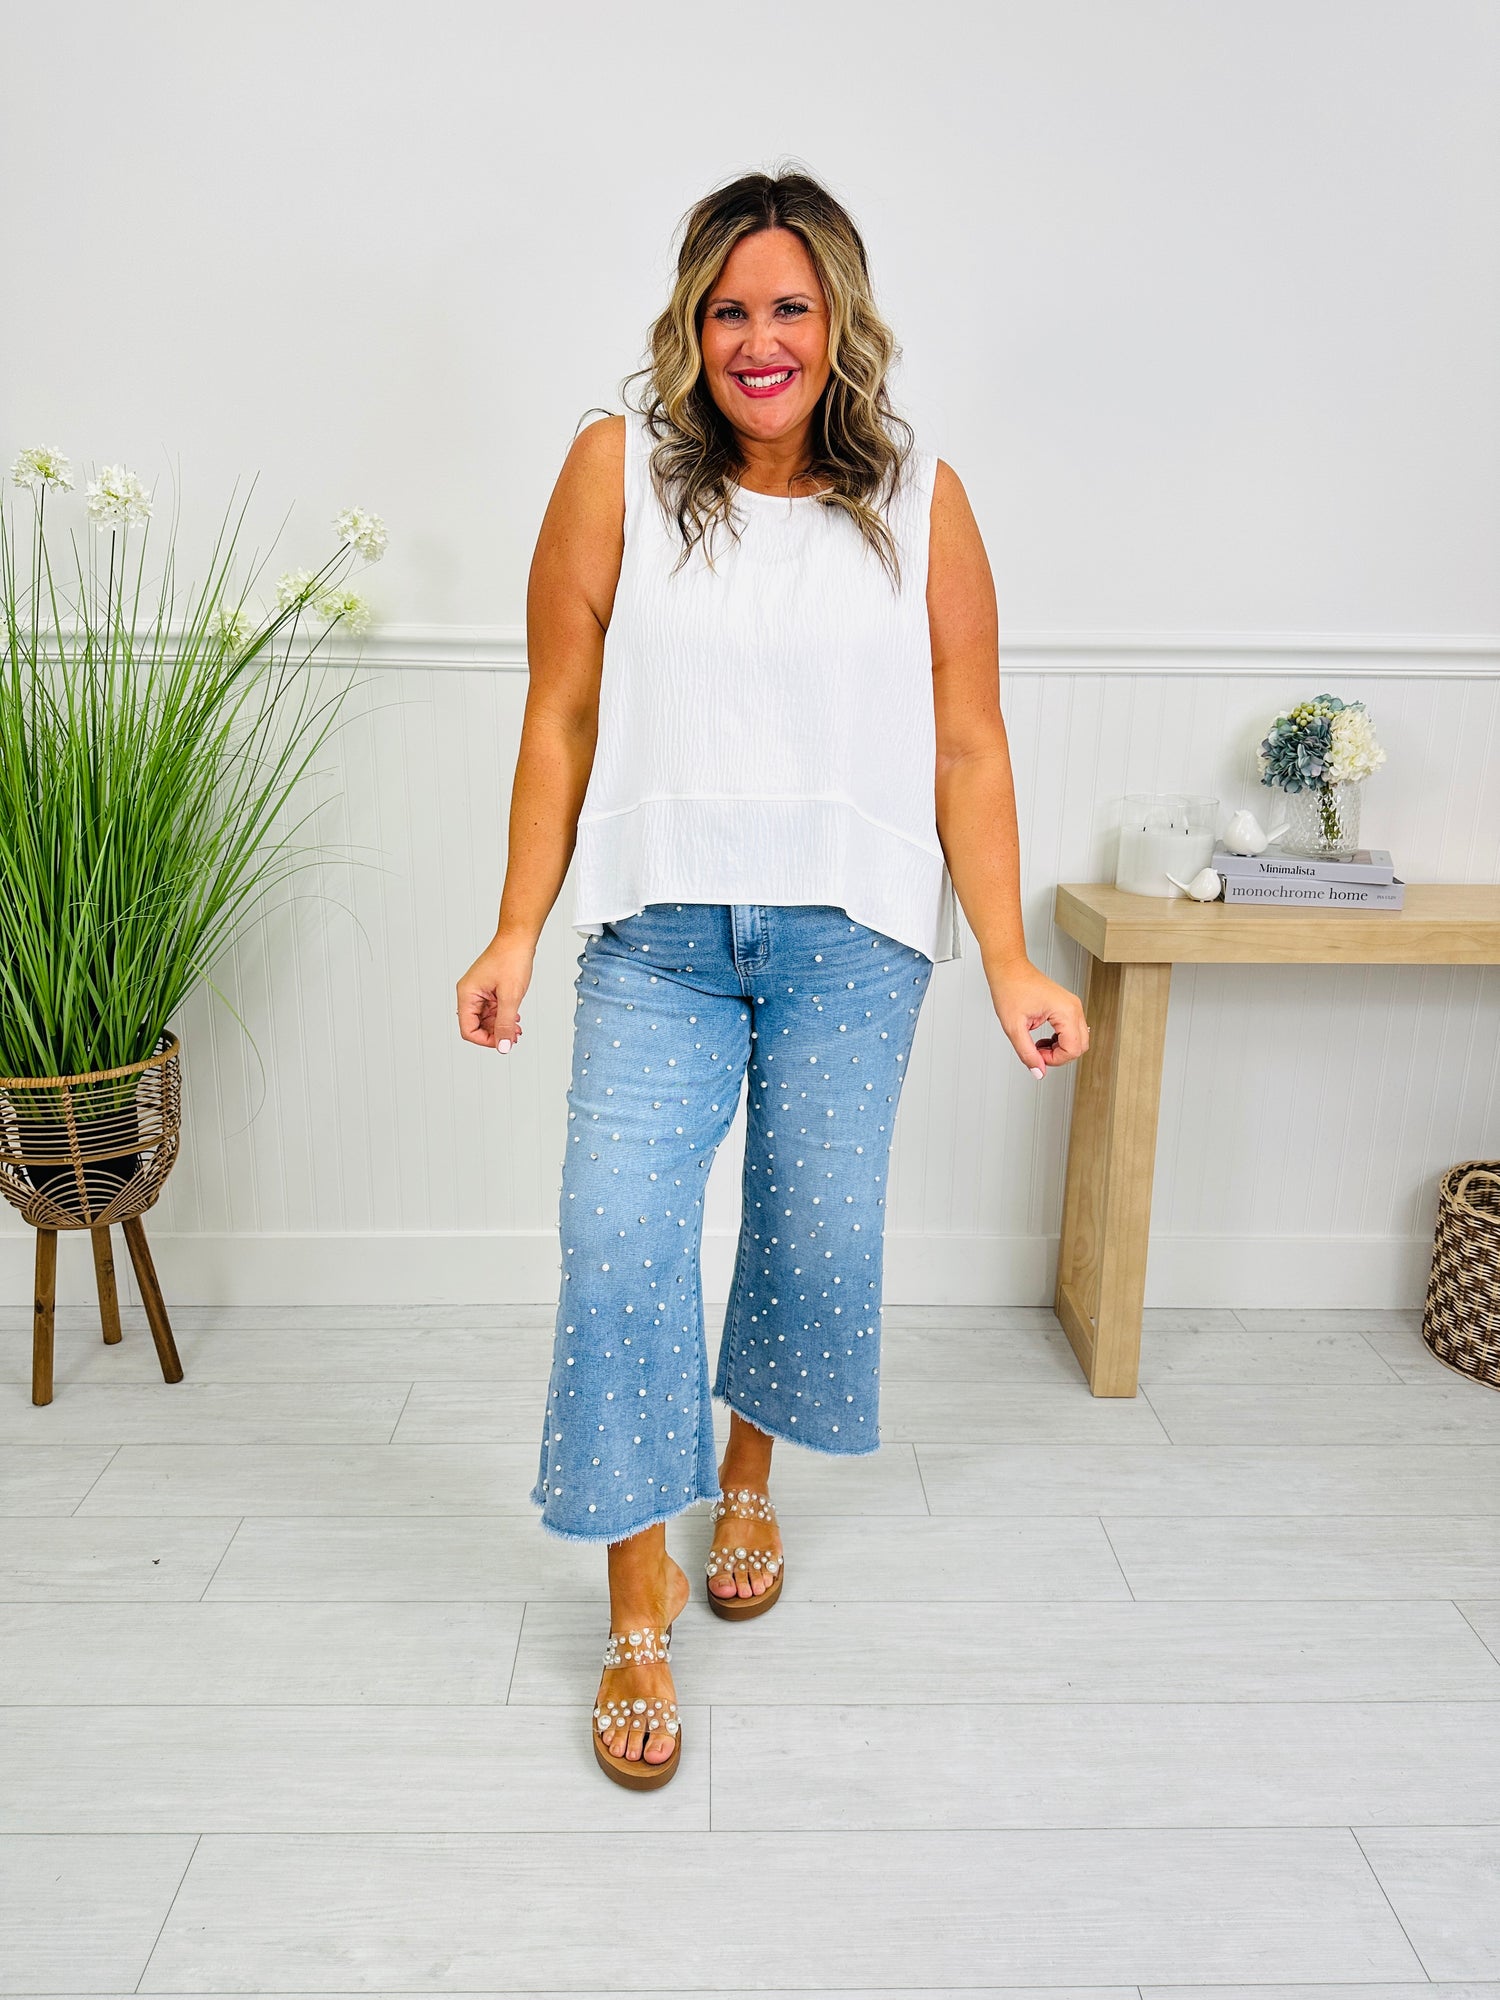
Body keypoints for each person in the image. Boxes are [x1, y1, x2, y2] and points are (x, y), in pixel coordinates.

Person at [456, 168, 1089, 1790]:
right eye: (729, 309)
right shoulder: (615, 471)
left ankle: (746, 1478)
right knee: (618, 1242)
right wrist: (517, 926)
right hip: (656, 938)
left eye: (789, 308)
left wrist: (1010, 955)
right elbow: (559, 717)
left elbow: (967, 743)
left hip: (851, 941)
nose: (759, 339)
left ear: (839, 321)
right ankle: (636, 1602)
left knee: (814, 1235)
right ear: (691, 323)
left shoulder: (926, 499)